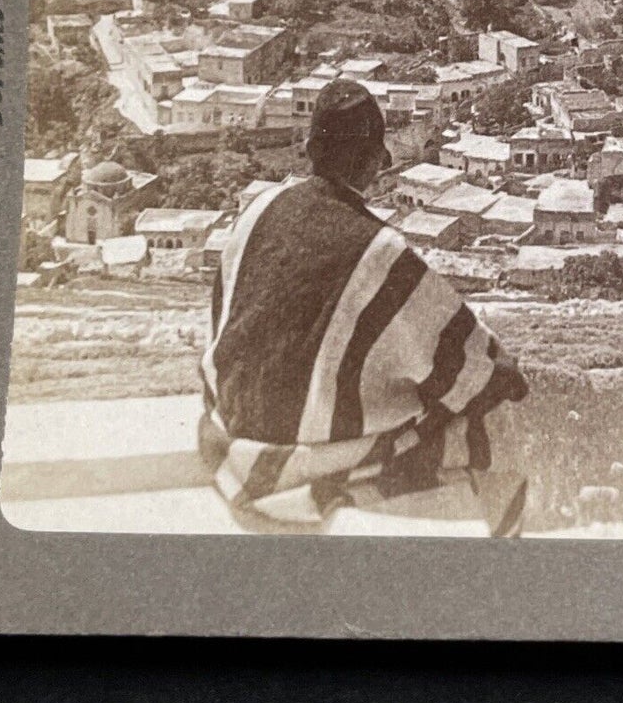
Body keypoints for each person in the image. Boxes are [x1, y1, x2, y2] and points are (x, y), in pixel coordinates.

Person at [198, 78, 529, 535]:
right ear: (374, 162)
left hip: (230, 438)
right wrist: (503, 371)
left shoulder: (259, 209)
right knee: (484, 419)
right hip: (298, 458)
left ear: (311, 148)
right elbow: (467, 366)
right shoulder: (379, 250)